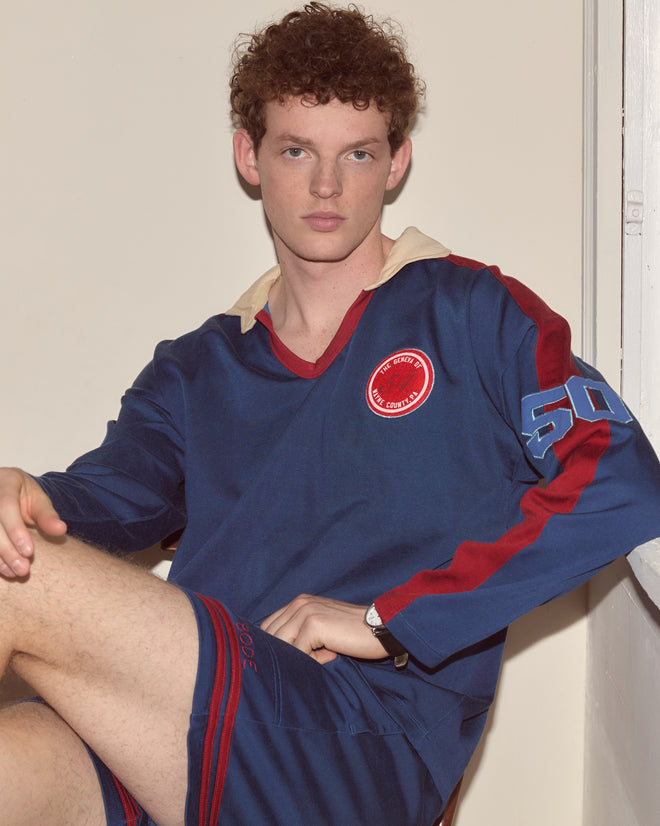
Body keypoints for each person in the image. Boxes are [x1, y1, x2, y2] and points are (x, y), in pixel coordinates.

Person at [0, 3, 659, 824]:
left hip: (362, 744)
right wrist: (21, 491)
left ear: (396, 162)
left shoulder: (471, 314)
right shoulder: (199, 368)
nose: (325, 186)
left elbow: (620, 481)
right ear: (249, 157)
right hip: (193, 736)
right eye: (295, 151)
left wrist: (394, 620)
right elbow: (94, 504)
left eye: (357, 153)